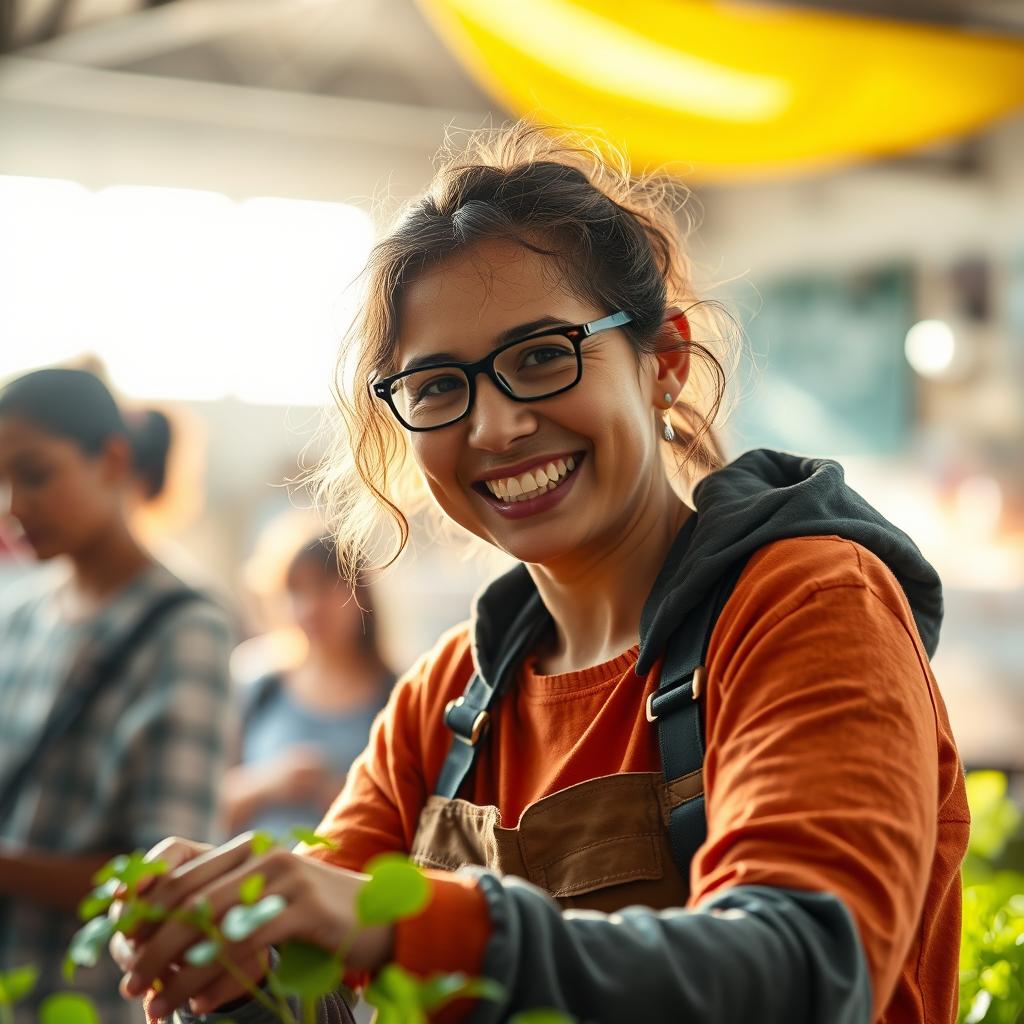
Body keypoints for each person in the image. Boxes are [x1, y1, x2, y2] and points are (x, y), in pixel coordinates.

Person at [116, 125, 969, 1024]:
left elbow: (798, 969)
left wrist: (396, 920)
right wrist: (231, 948)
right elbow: (317, 985)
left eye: (541, 357)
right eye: (440, 385)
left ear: (664, 364)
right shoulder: (447, 698)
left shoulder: (807, 605)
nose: (494, 426)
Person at [0, 368, 235, 1022]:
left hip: (94, 1003)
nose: (14, 505)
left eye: (35, 474)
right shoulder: (18, 618)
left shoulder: (185, 629)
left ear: (111, 460)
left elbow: (166, 875)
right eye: (1, 481)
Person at [222, 536, 393, 840]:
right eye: (296, 590)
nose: (311, 606)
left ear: (361, 593)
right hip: (252, 883)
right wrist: (269, 784)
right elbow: (205, 805)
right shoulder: (258, 684)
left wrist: (348, 799)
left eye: (325, 587)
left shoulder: (397, 696)